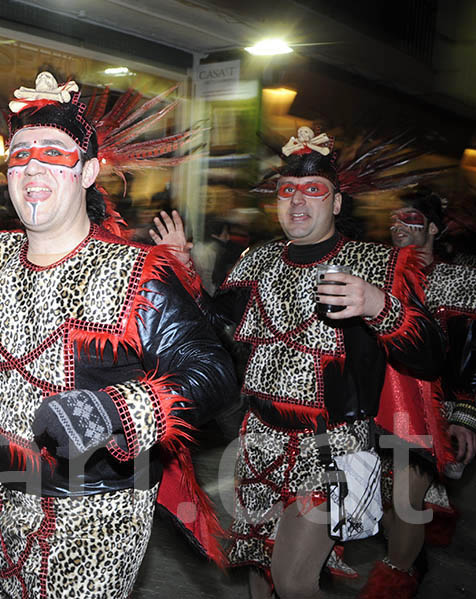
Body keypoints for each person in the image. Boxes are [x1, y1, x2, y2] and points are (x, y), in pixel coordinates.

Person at [0, 72, 238, 598]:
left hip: (99, 511)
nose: (31, 165)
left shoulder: (136, 272)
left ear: (88, 171)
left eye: (53, 153)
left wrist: (117, 411)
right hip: (9, 493)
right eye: (19, 154)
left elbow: (212, 372)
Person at [151, 128, 445, 599]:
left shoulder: (379, 263)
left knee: (292, 578)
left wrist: (377, 305)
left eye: (314, 191)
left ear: (337, 203)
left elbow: (430, 356)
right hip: (259, 441)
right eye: (287, 191)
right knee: (258, 569)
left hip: (332, 446)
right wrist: (184, 268)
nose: (298, 203)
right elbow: (214, 326)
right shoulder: (257, 259)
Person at [357, 189, 476, 598]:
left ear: (432, 228)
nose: (396, 226)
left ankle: (393, 582)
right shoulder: (377, 272)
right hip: (373, 404)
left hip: (426, 409)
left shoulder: (456, 280)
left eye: (407, 218)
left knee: (406, 503)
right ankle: (410, 565)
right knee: (388, 508)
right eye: (392, 219)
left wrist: (464, 414)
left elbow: (468, 351)